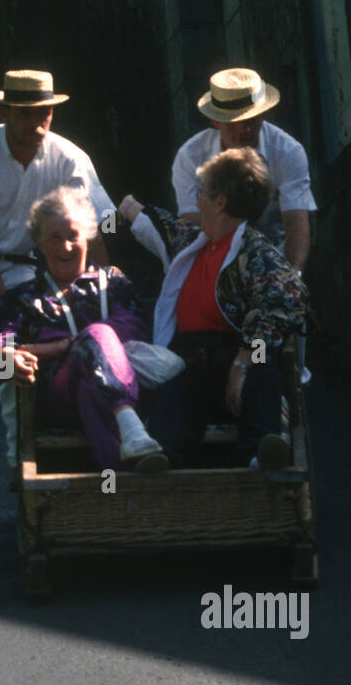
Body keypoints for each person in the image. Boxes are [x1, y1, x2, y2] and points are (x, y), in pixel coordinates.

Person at [0, 69, 114, 529]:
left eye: (45, 112)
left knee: (18, 377)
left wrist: (103, 292)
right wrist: (8, 314)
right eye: (27, 112)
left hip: (22, 268)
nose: (38, 122)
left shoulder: (69, 159)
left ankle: (22, 478)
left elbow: (95, 228)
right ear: (5, 111)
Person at [119, 147, 307, 468]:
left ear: (220, 202)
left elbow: (288, 297)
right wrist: (127, 207)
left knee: (263, 377)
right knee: (172, 397)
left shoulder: (256, 252)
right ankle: (163, 464)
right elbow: (158, 222)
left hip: (236, 362)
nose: (196, 202)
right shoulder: (191, 240)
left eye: (202, 193)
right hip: (190, 365)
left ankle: (261, 457)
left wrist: (243, 363)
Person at [0, 188, 167, 473]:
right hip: (60, 400)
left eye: (73, 235)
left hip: (123, 388)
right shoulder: (23, 298)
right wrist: (7, 356)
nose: (66, 247)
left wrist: (61, 346)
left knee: (93, 384)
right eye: (55, 238)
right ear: (39, 243)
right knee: (96, 336)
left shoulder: (113, 283)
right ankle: (131, 429)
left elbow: (135, 330)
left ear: (87, 236)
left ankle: (124, 479)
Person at [171, 68, 315, 274]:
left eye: (250, 120)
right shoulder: (189, 157)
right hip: (214, 261)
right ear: (215, 121)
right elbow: (193, 224)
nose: (242, 129)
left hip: (277, 257)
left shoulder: (288, 151)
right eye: (233, 122)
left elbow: (295, 219)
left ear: (263, 114)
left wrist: (293, 276)